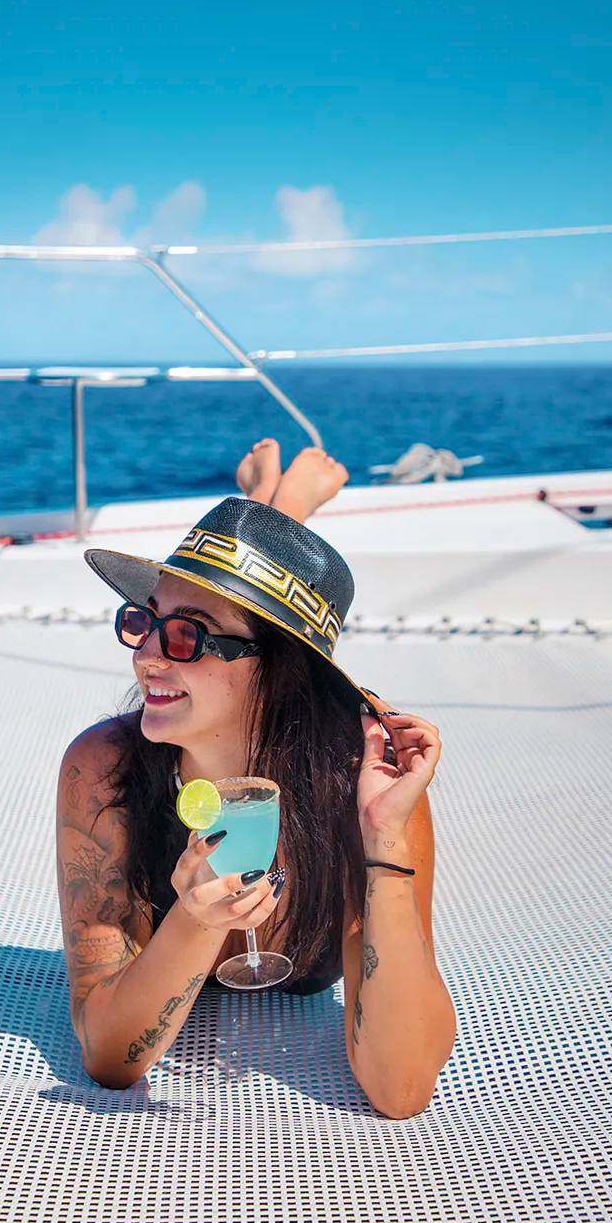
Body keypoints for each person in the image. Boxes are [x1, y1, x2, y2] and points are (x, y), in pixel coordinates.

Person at [55, 439, 456, 1117]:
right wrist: (193, 921)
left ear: (283, 672)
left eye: (187, 635)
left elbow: (402, 1091)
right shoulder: (106, 770)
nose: (147, 655)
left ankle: (279, 502)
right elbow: (107, 1057)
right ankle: (278, 505)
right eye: (144, 620)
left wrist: (385, 840)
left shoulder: (362, 787)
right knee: (252, 581)